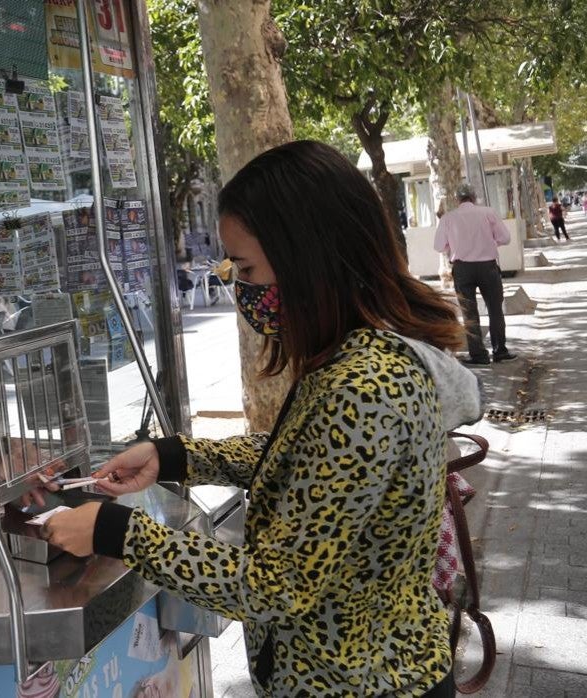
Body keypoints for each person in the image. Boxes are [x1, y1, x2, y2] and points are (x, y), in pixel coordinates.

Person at [34, 141, 481, 697]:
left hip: (365, 682)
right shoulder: (355, 360)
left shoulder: (363, 388)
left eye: (246, 267)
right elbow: (305, 459)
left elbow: (277, 583)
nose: (241, 289)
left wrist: (116, 531)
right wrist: (174, 456)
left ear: (306, 256)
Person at [433, 182, 515, 365]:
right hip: (488, 267)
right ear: (474, 197)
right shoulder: (488, 212)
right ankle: (500, 351)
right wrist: (490, 244)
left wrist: (454, 246)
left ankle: (478, 355)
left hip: (462, 269)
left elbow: (439, 246)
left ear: (457, 198)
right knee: (495, 309)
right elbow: (505, 238)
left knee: (469, 313)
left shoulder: (448, 218)